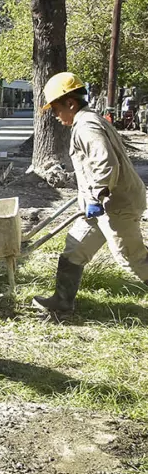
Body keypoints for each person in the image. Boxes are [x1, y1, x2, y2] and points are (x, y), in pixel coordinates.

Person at [32, 72, 148, 317]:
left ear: (71, 103)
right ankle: (62, 302)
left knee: (132, 258)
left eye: (55, 108)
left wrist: (97, 196)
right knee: (74, 249)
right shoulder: (87, 121)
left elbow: (105, 163)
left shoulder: (86, 125)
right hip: (100, 206)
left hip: (116, 204)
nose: (54, 115)